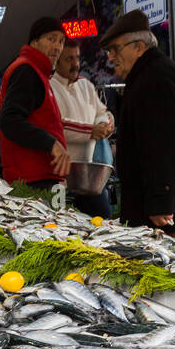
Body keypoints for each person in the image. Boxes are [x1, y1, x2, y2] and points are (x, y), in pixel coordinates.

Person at [100, 10, 175, 236]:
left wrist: (161, 200)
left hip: (168, 220)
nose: (110, 57)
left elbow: (163, 142)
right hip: (166, 214)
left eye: (115, 49)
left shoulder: (155, 78)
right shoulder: (149, 75)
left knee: (172, 270)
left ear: (138, 47)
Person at [0, 17, 70, 190]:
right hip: (32, 181)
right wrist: (51, 143)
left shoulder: (39, 73)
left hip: (40, 176)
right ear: (34, 42)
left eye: (61, 41)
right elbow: (10, 120)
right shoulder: (27, 70)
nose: (57, 47)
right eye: (51, 39)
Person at [50, 40, 114, 218]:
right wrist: (90, 131)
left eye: (77, 58)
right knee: (66, 230)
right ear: (57, 61)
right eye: (69, 59)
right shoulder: (49, 87)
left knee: (103, 222)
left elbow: (102, 112)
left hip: (90, 178)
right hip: (62, 180)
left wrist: (105, 124)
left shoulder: (86, 85)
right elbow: (56, 126)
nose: (75, 63)